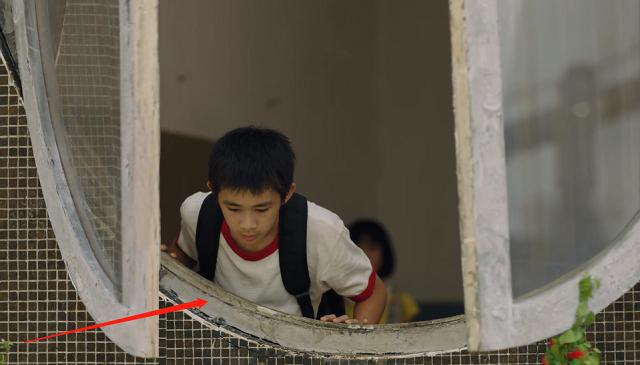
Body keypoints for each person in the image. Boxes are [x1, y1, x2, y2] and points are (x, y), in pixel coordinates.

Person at [162, 126, 386, 324]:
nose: (248, 225)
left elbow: (373, 292)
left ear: (287, 193)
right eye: (233, 208)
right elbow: (181, 256)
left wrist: (352, 335)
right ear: (213, 190)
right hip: (218, 349)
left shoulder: (321, 231)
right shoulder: (198, 213)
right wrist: (162, 265)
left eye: (262, 209)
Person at [346, 219, 420, 323]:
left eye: (371, 247)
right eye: (357, 248)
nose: (364, 254)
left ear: (385, 254)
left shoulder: (402, 302)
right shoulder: (331, 299)